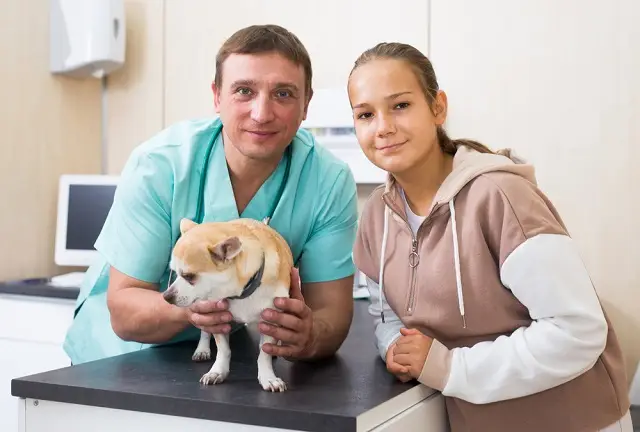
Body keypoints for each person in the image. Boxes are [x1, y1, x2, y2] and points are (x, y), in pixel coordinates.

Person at [348, 42, 633, 432]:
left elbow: (578, 330)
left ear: (437, 108)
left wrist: (449, 367)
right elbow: (387, 315)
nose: (383, 127)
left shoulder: (501, 197)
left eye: (400, 105)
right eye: (366, 114)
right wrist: (393, 345)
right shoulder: (376, 217)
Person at [63, 24, 358, 366]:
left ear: (306, 104)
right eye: (244, 91)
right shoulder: (160, 166)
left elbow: (332, 314)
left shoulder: (328, 181)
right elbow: (125, 312)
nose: (262, 114)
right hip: (118, 361)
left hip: (221, 358)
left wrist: (308, 336)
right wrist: (193, 310)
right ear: (217, 97)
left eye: (283, 94)